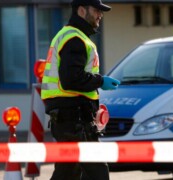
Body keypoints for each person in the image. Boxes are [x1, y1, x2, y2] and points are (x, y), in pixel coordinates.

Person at [41, 0, 120, 179]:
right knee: (96, 173)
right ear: (82, 10)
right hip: (74, 119)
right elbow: (71, 79)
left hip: (70, 118)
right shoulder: (75, 39)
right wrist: (100, 82)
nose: (100, 14)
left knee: (68, 172)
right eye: (96, 10)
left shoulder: (71, 36)